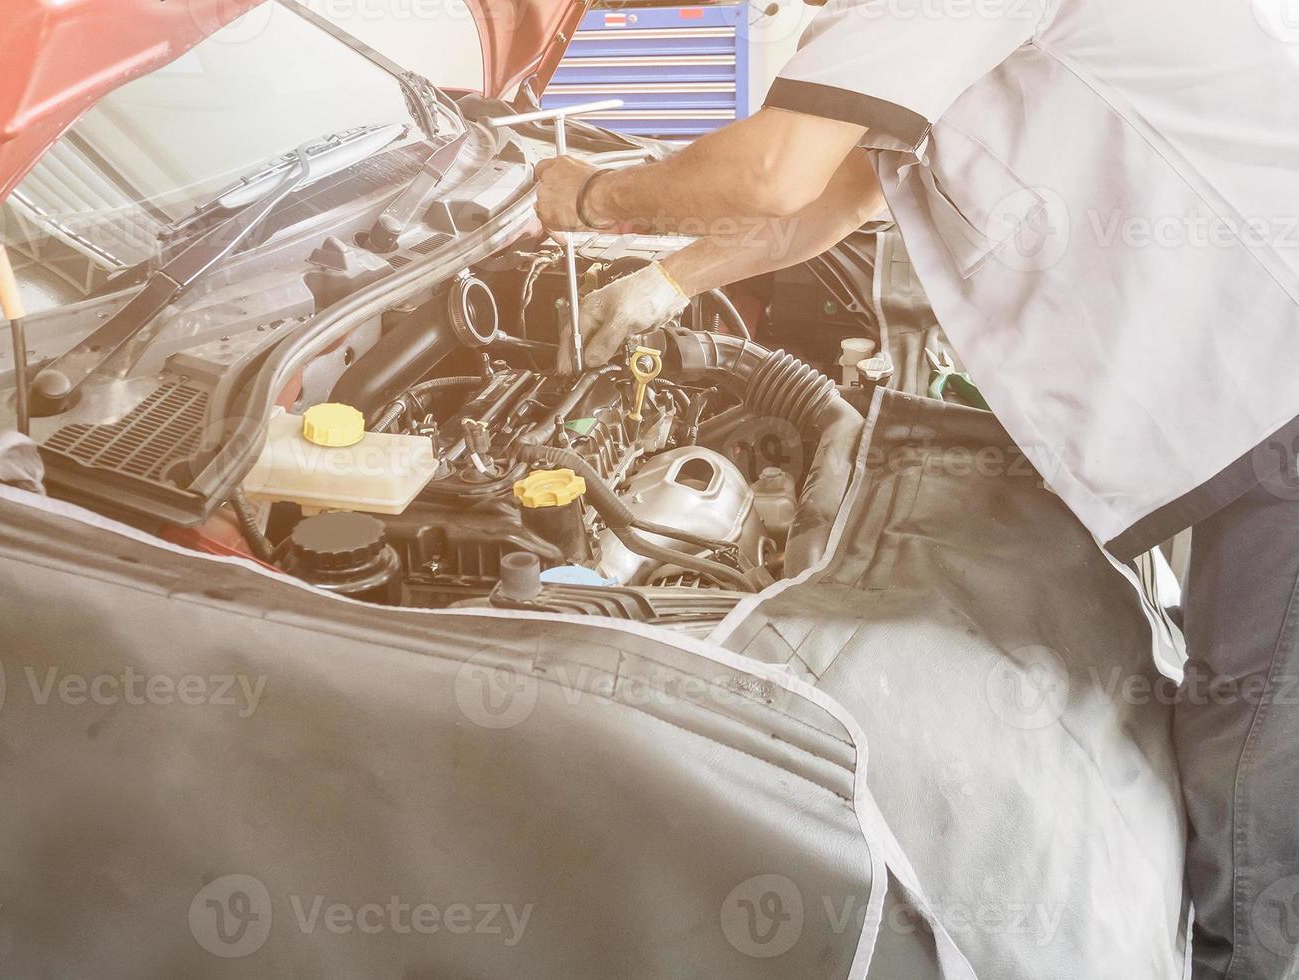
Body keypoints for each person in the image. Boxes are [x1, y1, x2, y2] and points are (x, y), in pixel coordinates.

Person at [533, 1, 1299, 977]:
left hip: (1271, 379)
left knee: (1251, 776)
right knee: (1234, 725)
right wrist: (668, 284)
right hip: (1238, 392)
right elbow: (843, 192)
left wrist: (594, 196)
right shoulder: (884, 33)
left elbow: (775, 171)